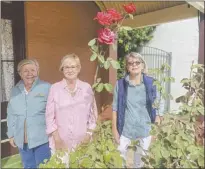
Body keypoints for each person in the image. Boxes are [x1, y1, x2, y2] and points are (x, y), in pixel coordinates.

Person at [112, 52, 164, 168]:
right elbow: (115, 108)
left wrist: (155, 130)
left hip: (145, 131)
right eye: (130, 63)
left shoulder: (152, 84)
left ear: (142, 65)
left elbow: (159, 109)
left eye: (137, 62)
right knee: (120, 163)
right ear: (127, 66)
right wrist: (114, 129)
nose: (134, 65)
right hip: (125, 130)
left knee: (139, 164)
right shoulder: (120, 85)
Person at [45, 53, 97, 153]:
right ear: (62, 69)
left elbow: (93, 115)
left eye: (73, 67)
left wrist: (88, 135)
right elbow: (49, 116)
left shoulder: (87, 88)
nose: (70, 70)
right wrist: (57, 139)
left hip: (83, 143)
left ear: (78, 68)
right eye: (66, 67)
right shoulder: (54, 89)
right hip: (61, 143)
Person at [7, 59, 51, 168]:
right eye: (25, 71)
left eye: (32, 70)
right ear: (20, 74)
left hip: (42, 139)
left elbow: (54, 112)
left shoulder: (47, 87)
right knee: (28, 166)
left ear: (38, 71)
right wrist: (11, 134)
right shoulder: (15, 91)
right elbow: (11, 113)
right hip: (22, 140)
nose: (29, 74)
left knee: (44, 166)